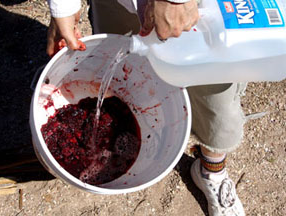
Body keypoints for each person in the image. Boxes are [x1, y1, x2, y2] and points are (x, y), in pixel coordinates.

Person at [46, 0, 246, 215]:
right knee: (119, 60)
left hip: (205, 8)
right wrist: (63, 7)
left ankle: (211, 171)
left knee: (216, 103)